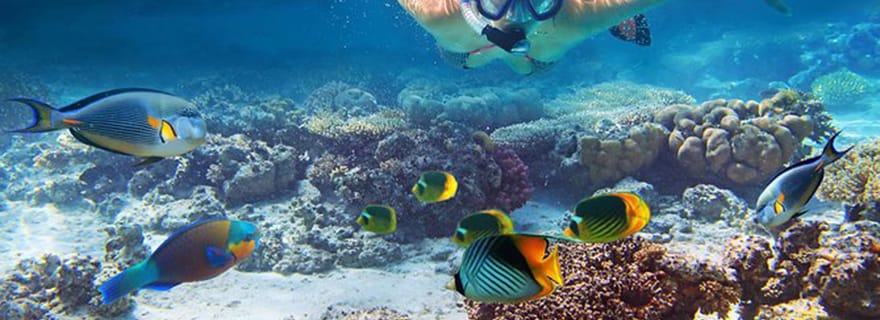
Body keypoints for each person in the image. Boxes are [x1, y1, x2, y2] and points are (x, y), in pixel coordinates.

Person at [397, 0, 664, 75]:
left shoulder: (579, 16)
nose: (517, 17)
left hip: (536, 62)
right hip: (463, 56)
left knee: (525, 66)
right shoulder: (438, 13)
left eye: (536, 0)